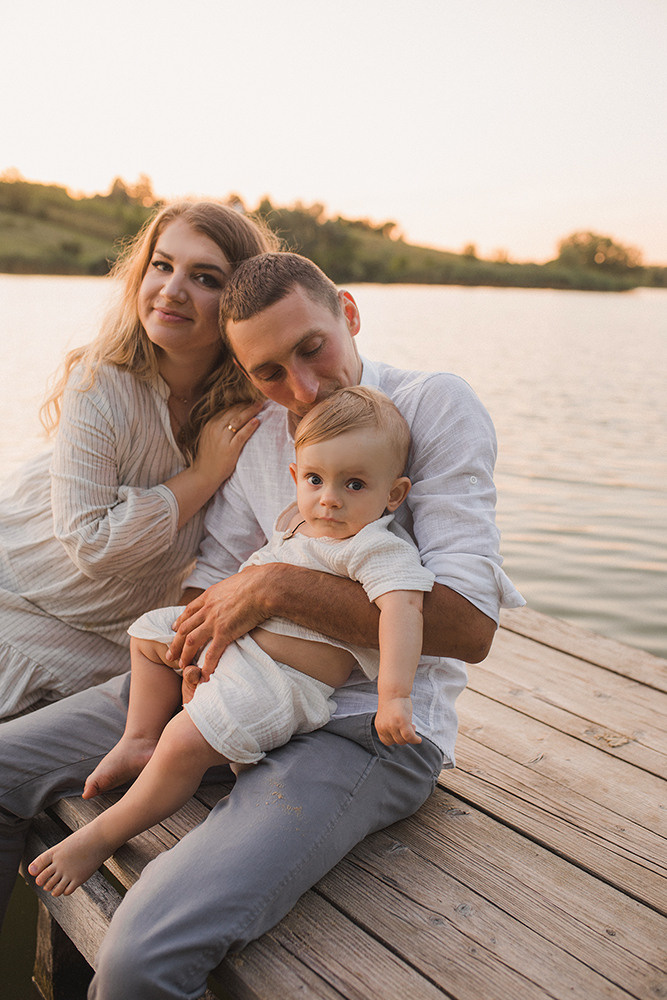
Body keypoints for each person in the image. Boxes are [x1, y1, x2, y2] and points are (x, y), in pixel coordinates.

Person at [0, 251, 524, 997]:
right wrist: (185, 651)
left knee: (138, 958)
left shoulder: (431, 404)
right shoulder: (256, 436)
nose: (300, 389)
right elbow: (212, 582)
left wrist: (274, 585)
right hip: (232, 678)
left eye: (312, 349)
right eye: (268, 371)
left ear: (347, 313)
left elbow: (468, 627)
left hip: (360, 727)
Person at [28, 386, 437, 897]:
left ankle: (101, 837)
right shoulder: (298, 525)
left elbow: (404, 610)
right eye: (315, 479)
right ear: (296, 479)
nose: (329, 497)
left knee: (183, 742)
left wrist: (394, 697)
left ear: (393, 495)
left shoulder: (376, 547)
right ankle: (138, 737)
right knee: (150, 631)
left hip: (280, 683)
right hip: (238, 653)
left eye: (354, 484)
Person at [0, 200, 276, 718]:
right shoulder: (102, 381)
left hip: (119, 638)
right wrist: (203, 474)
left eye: (205, 278)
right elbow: (91, 541)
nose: (172, 290)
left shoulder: (255, 408)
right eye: (162, 265)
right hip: (21, 594)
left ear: (240, 300)